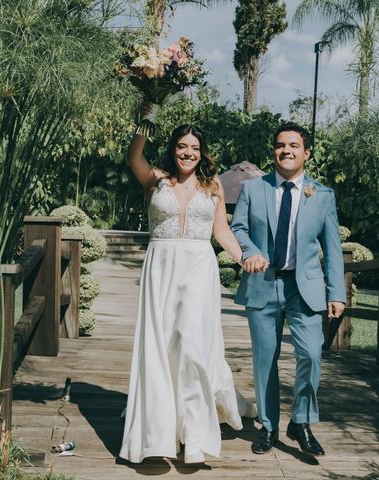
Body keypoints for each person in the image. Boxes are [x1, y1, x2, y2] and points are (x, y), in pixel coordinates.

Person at [119, 105, 257, 464]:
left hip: (198, 268)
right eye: (182, 146)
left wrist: (243, 257)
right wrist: (147, 116)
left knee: (193, 345)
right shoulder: (155, 179)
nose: (188, 153)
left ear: (202, 152)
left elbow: (221, 231)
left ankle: (196, 435)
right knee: (161, 347)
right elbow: (133, 153)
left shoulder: (212, 186)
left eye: (194, 148)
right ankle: (160, 433)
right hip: (161, 268)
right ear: (173, 148)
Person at [231, 123, 346, 457]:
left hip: (304, 289)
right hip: (263, 286)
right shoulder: (254, 190)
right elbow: (237, 227)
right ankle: (268, 426)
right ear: (274, 152)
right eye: (280, 145)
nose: (287, 151)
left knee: (310, 354)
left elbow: (333, 248)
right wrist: (250, 251)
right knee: (265, 360)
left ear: (306, 153)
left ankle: (301, 422)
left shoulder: (322, 195)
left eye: (294, 145)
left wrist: (336, 292)